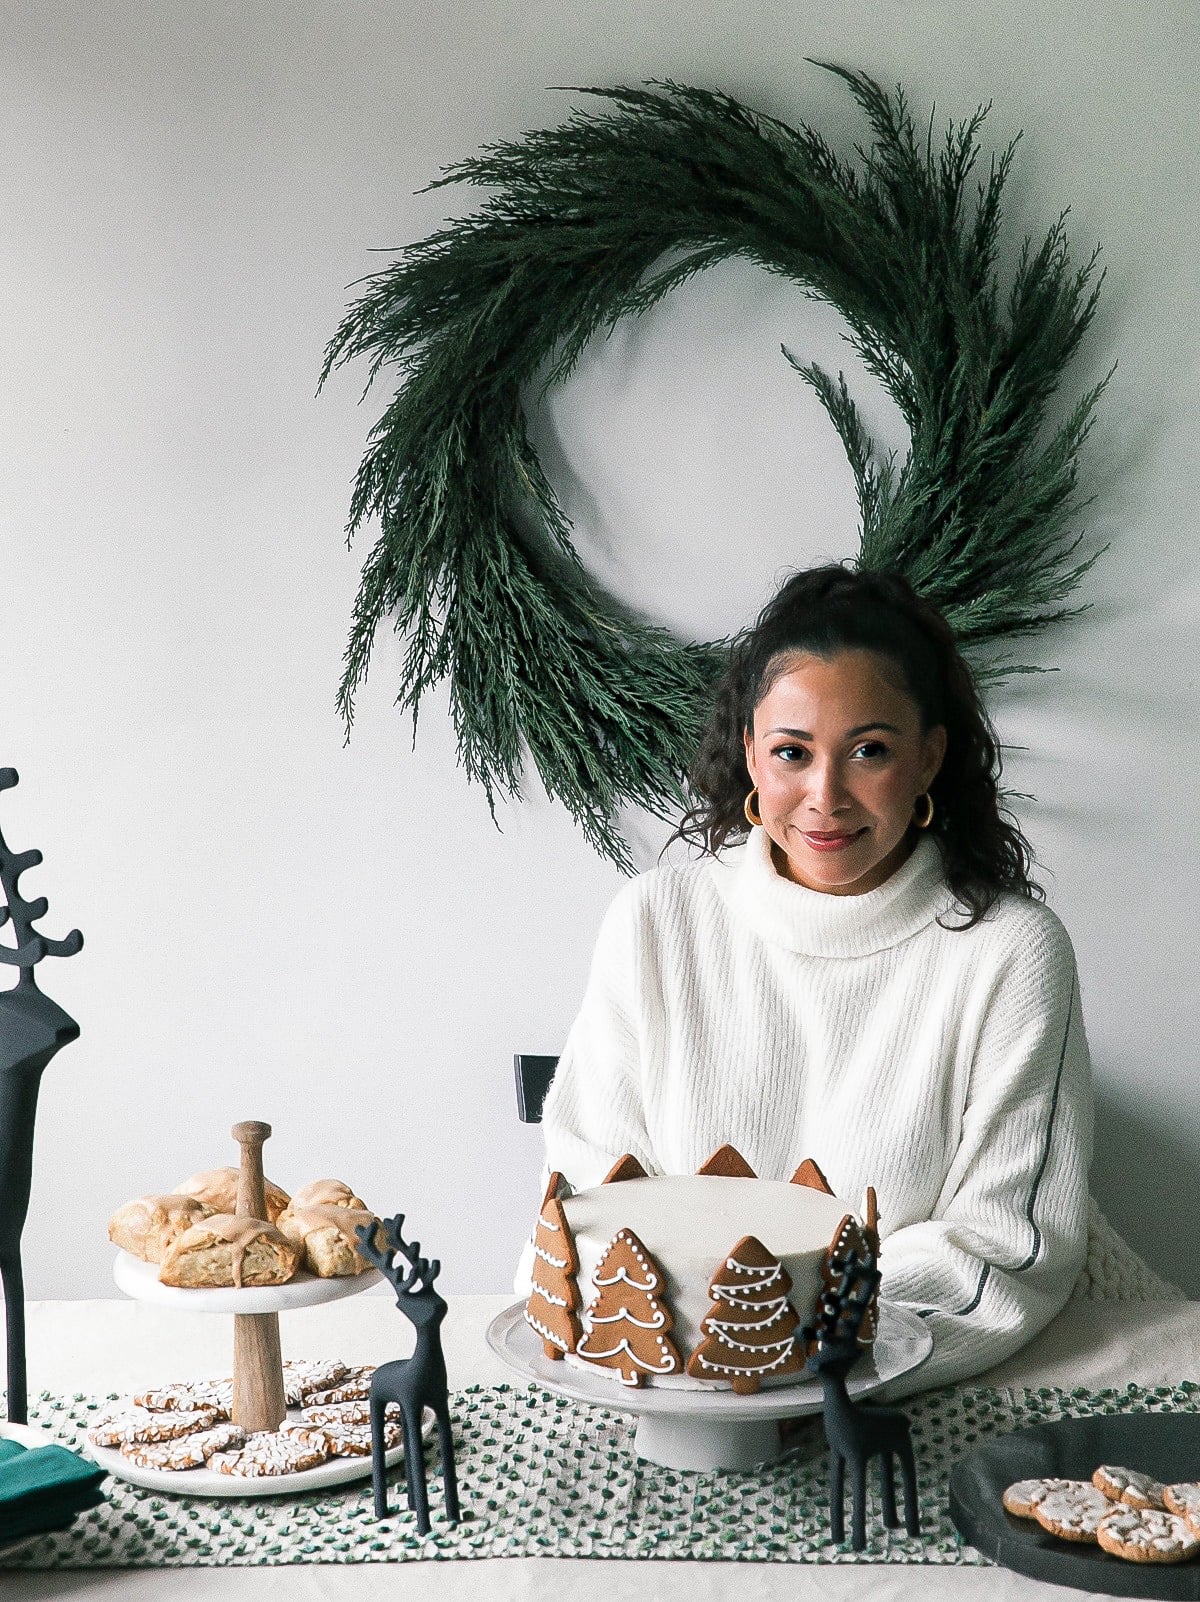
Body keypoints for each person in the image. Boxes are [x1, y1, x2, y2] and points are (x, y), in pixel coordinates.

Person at [529, 564, 1091, 1394]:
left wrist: (788, 1357)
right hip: (668, 1391)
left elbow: (1005, 1248)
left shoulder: (1011, 953)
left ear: (930, 757)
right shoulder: (655, 923)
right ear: (751, 754)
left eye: (870, 750)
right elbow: (591, 1190)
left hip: (917, 1383)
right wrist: (713, 1359)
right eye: (792, 752)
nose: (824, 796)